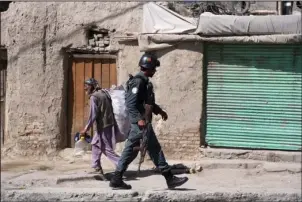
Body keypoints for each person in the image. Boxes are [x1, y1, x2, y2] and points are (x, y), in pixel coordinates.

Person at [109, 53, 188, 189]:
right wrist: (139, 119)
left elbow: (147, 102)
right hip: (141, 125)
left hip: (142, 124)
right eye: (153, 69)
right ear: (147, 68)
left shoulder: (145, 82)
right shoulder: (138, 82)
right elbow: (131, 103)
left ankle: (117, 178)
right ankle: (170, 179)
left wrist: (159, 111)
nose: (155, 71)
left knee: (131, 151)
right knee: (155, 150)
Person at [80, 78, 124, 176]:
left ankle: (121, 164)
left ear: (91, 86)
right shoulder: (103, 93)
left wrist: (86, 128)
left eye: (86, 86)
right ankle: (97, 167)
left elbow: (93, 115)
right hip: (108, 124)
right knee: (95, 144)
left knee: (105, 148)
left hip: (103, 126)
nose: (84, 88)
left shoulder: (94, 97)